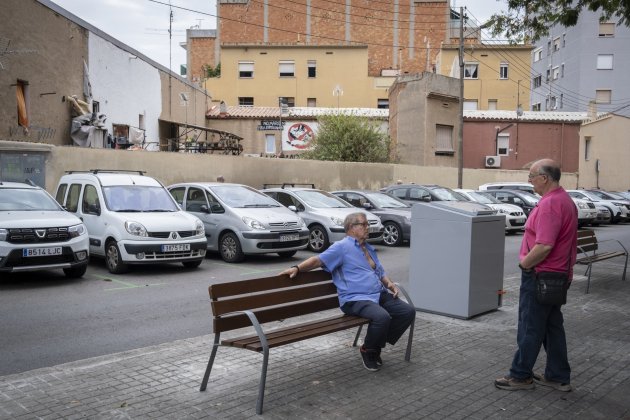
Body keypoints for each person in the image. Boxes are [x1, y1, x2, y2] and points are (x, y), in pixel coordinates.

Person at [280, 212, 416, 372]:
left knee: (407, 312)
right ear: (351, 228)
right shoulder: (341, 247)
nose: (368, 228)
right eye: (364, 224)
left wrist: (390, 284)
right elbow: (318, 260)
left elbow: (379, 271)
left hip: (377, 294)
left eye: (368, 224)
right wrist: (296, 268)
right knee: (382, 317)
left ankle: (375, 345)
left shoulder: (368, 248)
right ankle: (369, 350)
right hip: (355, 299)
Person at [495, 159, 577, 392]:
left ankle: (520, 375)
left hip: (542, 276)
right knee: (552, 327)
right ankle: (558, 376)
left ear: (545, 178)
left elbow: (544, 245)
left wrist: (524, 265)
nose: (529, 181)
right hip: (557, 276)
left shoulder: (551, 204)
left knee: (531, 326)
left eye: (531, 177)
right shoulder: (564, 199)